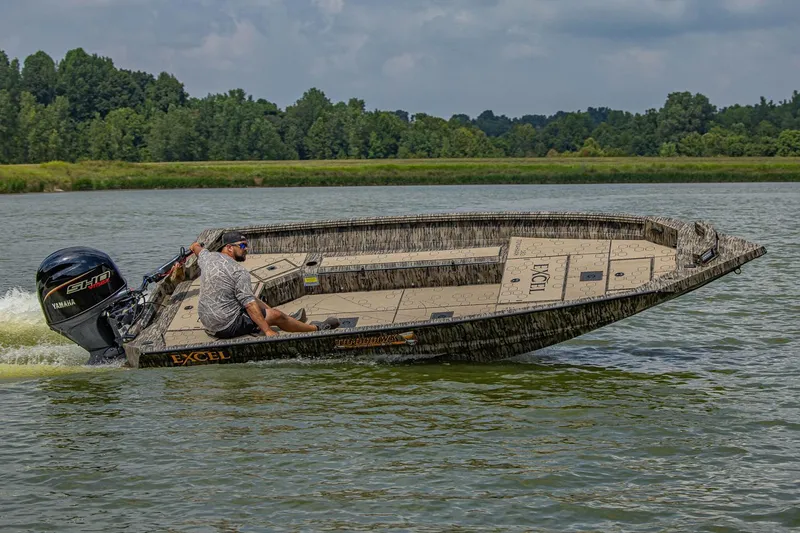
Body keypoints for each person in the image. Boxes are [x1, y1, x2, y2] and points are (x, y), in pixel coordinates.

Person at [189, 232, 339, 339]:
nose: (246, 249)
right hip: (226, 326)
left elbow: (197, 249)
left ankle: (285, 319)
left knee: (249, 296)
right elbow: (249, 305)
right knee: (275, 315)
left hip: (208, 322)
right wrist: (267, 331)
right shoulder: (238, 271)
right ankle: (317, 328)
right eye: (242, 245)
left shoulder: (208, 257)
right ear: (229, 248)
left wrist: (195, 245)